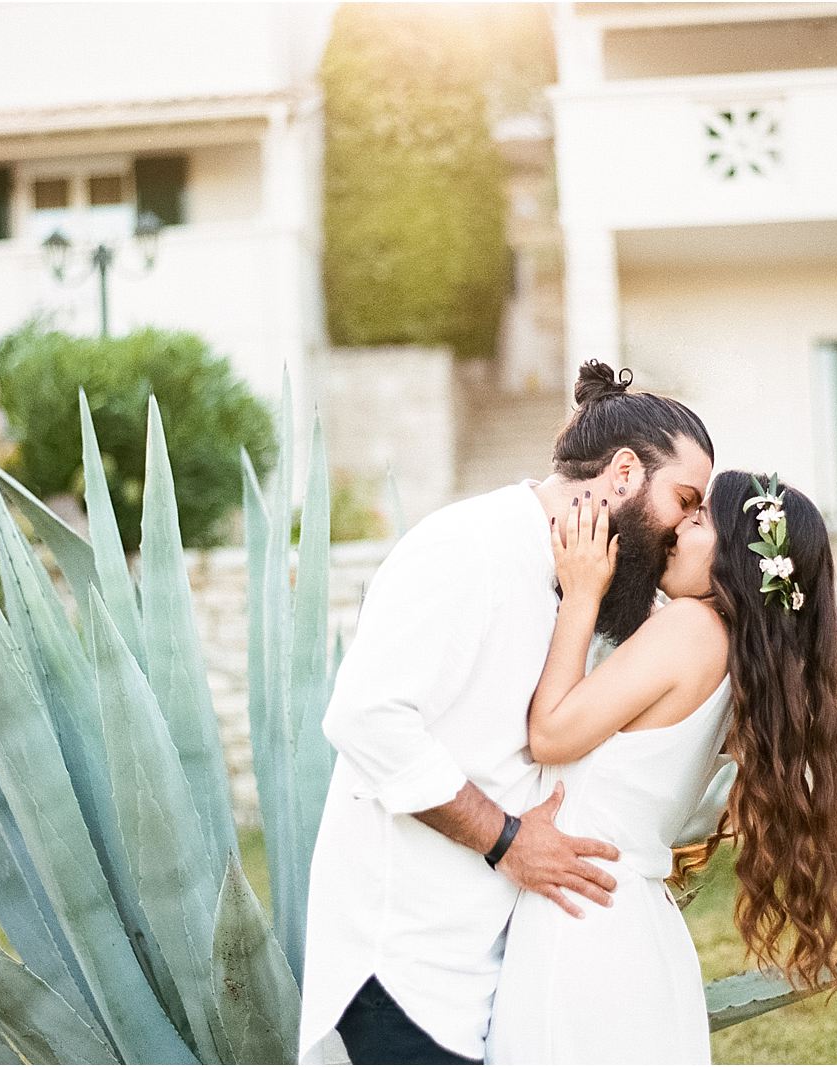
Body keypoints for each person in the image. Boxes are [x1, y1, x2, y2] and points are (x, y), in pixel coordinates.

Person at [297, 361, 715, 1064]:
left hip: (485, 960)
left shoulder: (574, 581)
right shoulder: (468, 548)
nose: (682, 528)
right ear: (620, 475)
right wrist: (508, 840)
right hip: (403, 964)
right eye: (684, 499)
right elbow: (367, 715)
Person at [485, 471, 837, 1064]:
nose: (679, 525)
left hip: (584, 918)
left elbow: (551, 733)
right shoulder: (733, 654)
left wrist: (581, 593)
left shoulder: (691, 630)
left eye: (701, 516)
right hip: (626, 918)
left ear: (737, 555)